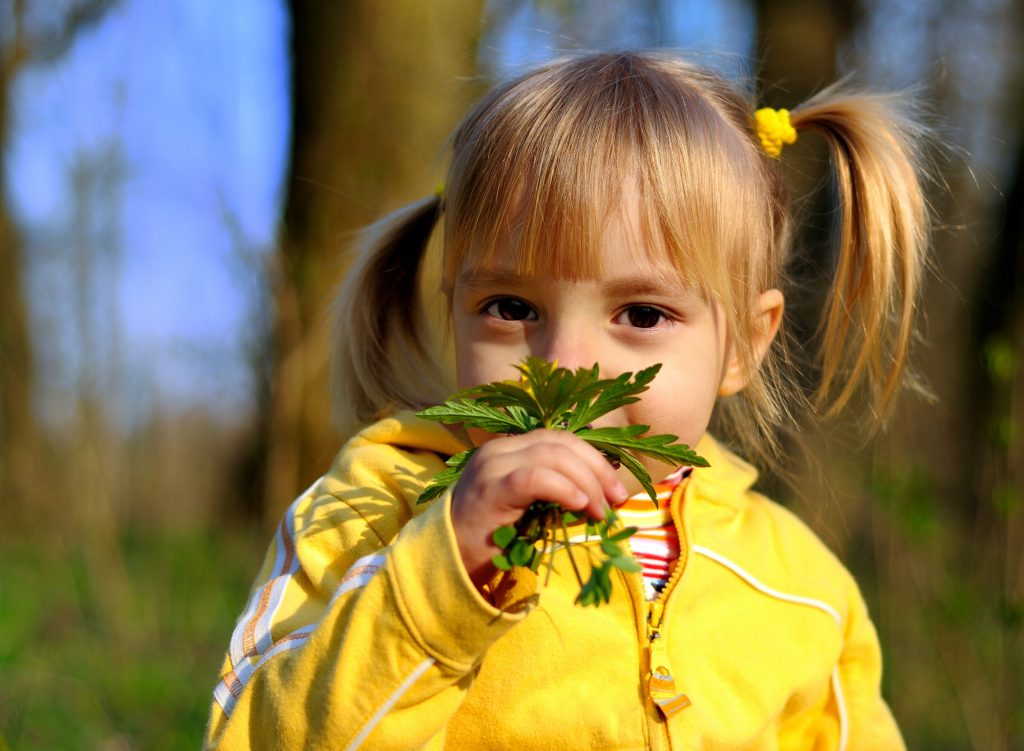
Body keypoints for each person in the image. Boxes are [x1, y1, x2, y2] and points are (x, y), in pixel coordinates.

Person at [205, 51, 929, 749]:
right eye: (513, 305)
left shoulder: (800, 586)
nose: (567, 363)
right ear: (452, 306)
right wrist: (437, 582)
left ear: (743, 342)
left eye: (642, 314)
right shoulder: (370, 513)